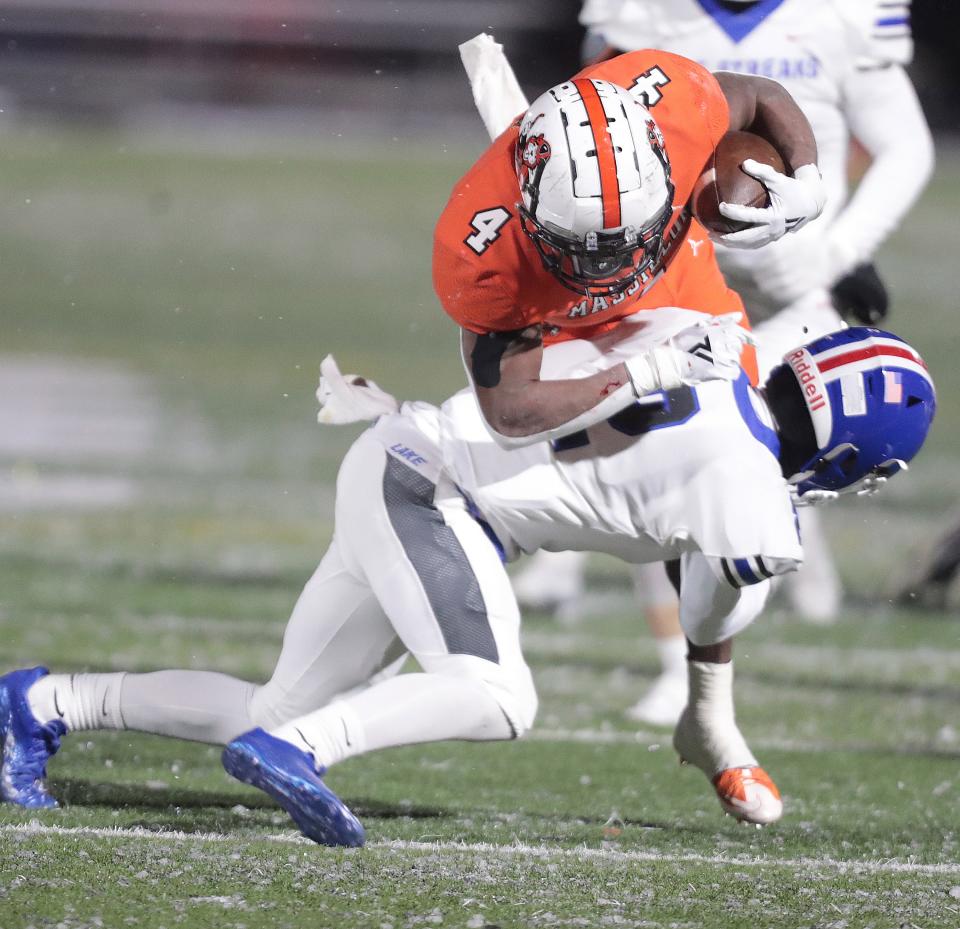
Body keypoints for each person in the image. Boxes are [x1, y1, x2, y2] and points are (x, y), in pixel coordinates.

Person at [0, 323, 936, 847]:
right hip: (437, 501)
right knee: (497, 692)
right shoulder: (757, 501)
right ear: (854, 460)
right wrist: (715, 699)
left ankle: (44, 702)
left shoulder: (707, 338)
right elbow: (709, 607)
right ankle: (301, 749)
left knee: (277, 697)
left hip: (396, 456)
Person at [513, 0, 935, 723]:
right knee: (673, 445)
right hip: (671, 262)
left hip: (806, 273)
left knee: (776, 446)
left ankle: (790, 572)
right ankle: (685, 667)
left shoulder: (844, 13)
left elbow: (906, 147)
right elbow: (589, 130)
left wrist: (848, 251)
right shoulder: (644, 10)